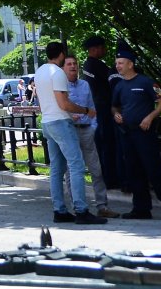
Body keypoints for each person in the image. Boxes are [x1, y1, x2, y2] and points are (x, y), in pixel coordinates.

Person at [35, 41, 104, 224]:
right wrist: (86, 111)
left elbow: (42, 103)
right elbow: (64, 104)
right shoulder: (57, 73)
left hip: (47, 121)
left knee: (56, 169)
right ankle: (81, 210)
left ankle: (59, 210)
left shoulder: (40, 72)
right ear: (62, 54)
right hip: (60, 122)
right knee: (76, 165)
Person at [108, 45, 161, 220]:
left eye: (120, 63)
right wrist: (116, 114)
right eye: (116, 63)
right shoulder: (119, 86)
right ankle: (141, 208)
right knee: (133, 171)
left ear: (130, 64)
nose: (117, 66)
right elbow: (114, 106)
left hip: (145, 134)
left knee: (154, 170)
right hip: (127, 134)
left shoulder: (146, 82)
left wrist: (150, 117)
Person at [63, 55, 115, 217]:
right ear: (63, 68)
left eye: (75, 63)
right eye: (69, 64)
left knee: (96, 169)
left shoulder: (85, 84)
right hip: (70, 132)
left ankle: (102, 206)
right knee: (72, 171)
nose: (73, 66)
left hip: (87, 131)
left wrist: (93, 127)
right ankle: (77, 206)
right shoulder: (60, 88)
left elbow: (92, 108)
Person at [82, 36, 120, 204]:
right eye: (103, 47)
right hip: (103, 109)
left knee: (101, 144)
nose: (105, 50)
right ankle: (110, 178)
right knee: (107, 144)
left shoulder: (87, 66)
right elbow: (112, 83)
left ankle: (106, 176)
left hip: (96, 109)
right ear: (95, 49)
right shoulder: (98, 66)